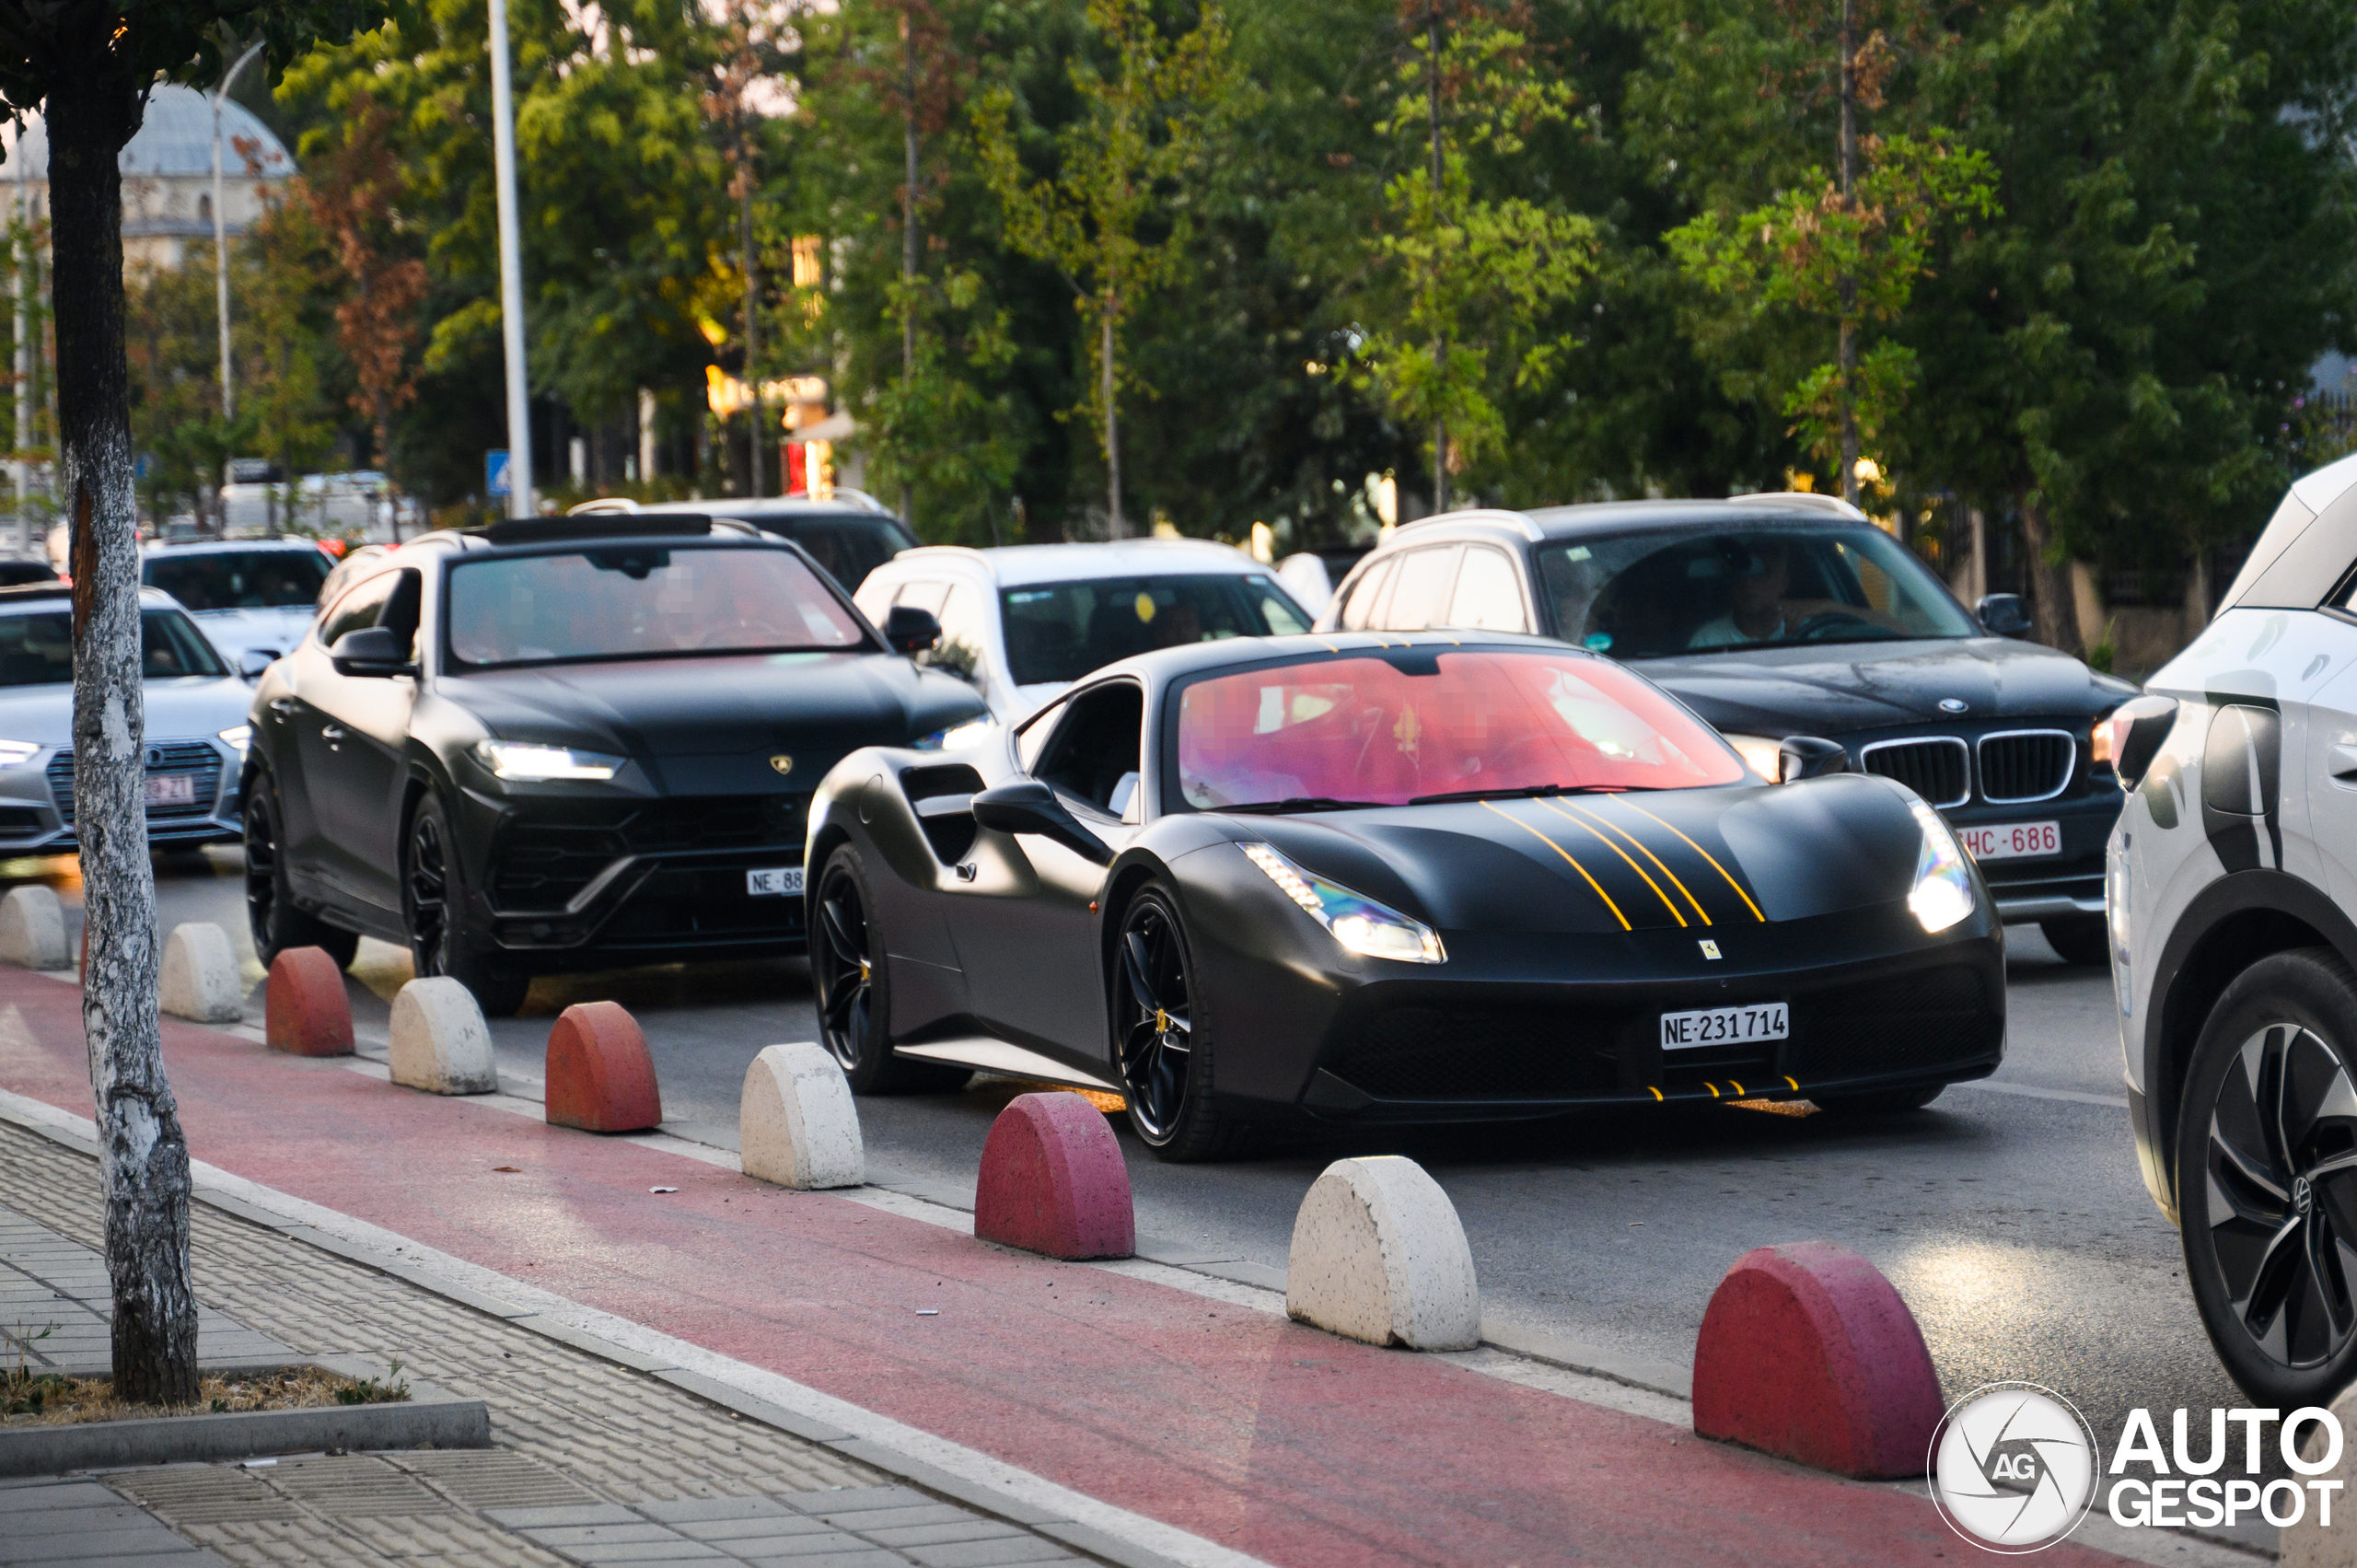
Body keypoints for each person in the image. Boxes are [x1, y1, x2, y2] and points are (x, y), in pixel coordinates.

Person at [1685, 538, 1906, 649]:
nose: (1750, 583)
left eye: (1763, 573)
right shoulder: (1708, 640)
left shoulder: (1813, 628)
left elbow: (1900, 632)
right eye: (1744, 573)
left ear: (1783, 583)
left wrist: (1828, 607)